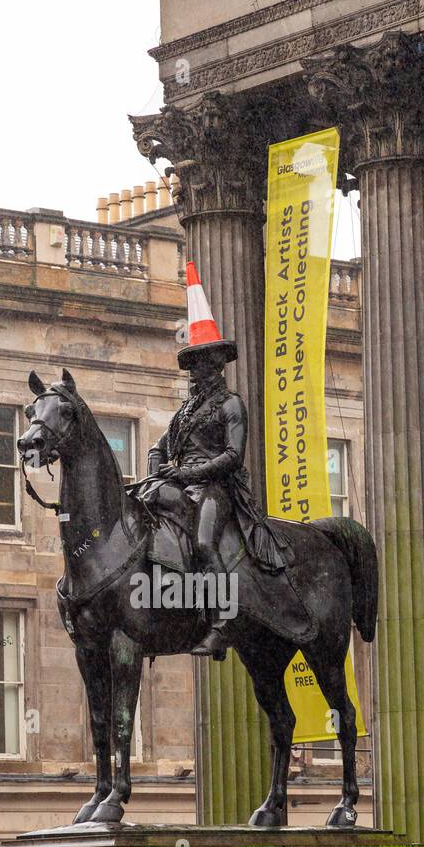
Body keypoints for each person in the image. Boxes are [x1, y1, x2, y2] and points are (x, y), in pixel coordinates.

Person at [140, 262, 288, 658]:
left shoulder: (230, 405)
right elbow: (159, 446)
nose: (192, 372)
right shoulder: (186, 411)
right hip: (179, 486)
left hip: (215, 489)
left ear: (216, 366)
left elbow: (233, 457)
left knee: (205, 542)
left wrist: (186, 471)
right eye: (189, 364)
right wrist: (157, 469)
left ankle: (222, 623)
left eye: (199, 363)